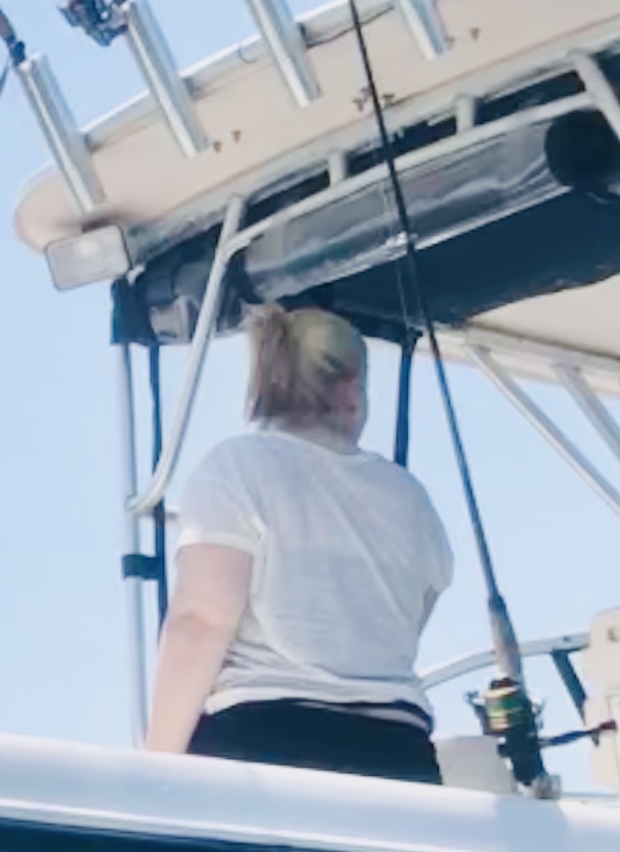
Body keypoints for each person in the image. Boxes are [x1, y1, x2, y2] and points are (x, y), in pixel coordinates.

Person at [144, 306, 455, 785]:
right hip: (400, 753)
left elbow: (201, 621)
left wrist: (155, 769)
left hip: (261, 744)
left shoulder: (235, 467)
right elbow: (413, 616)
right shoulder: (409, 496)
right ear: (351, 390)